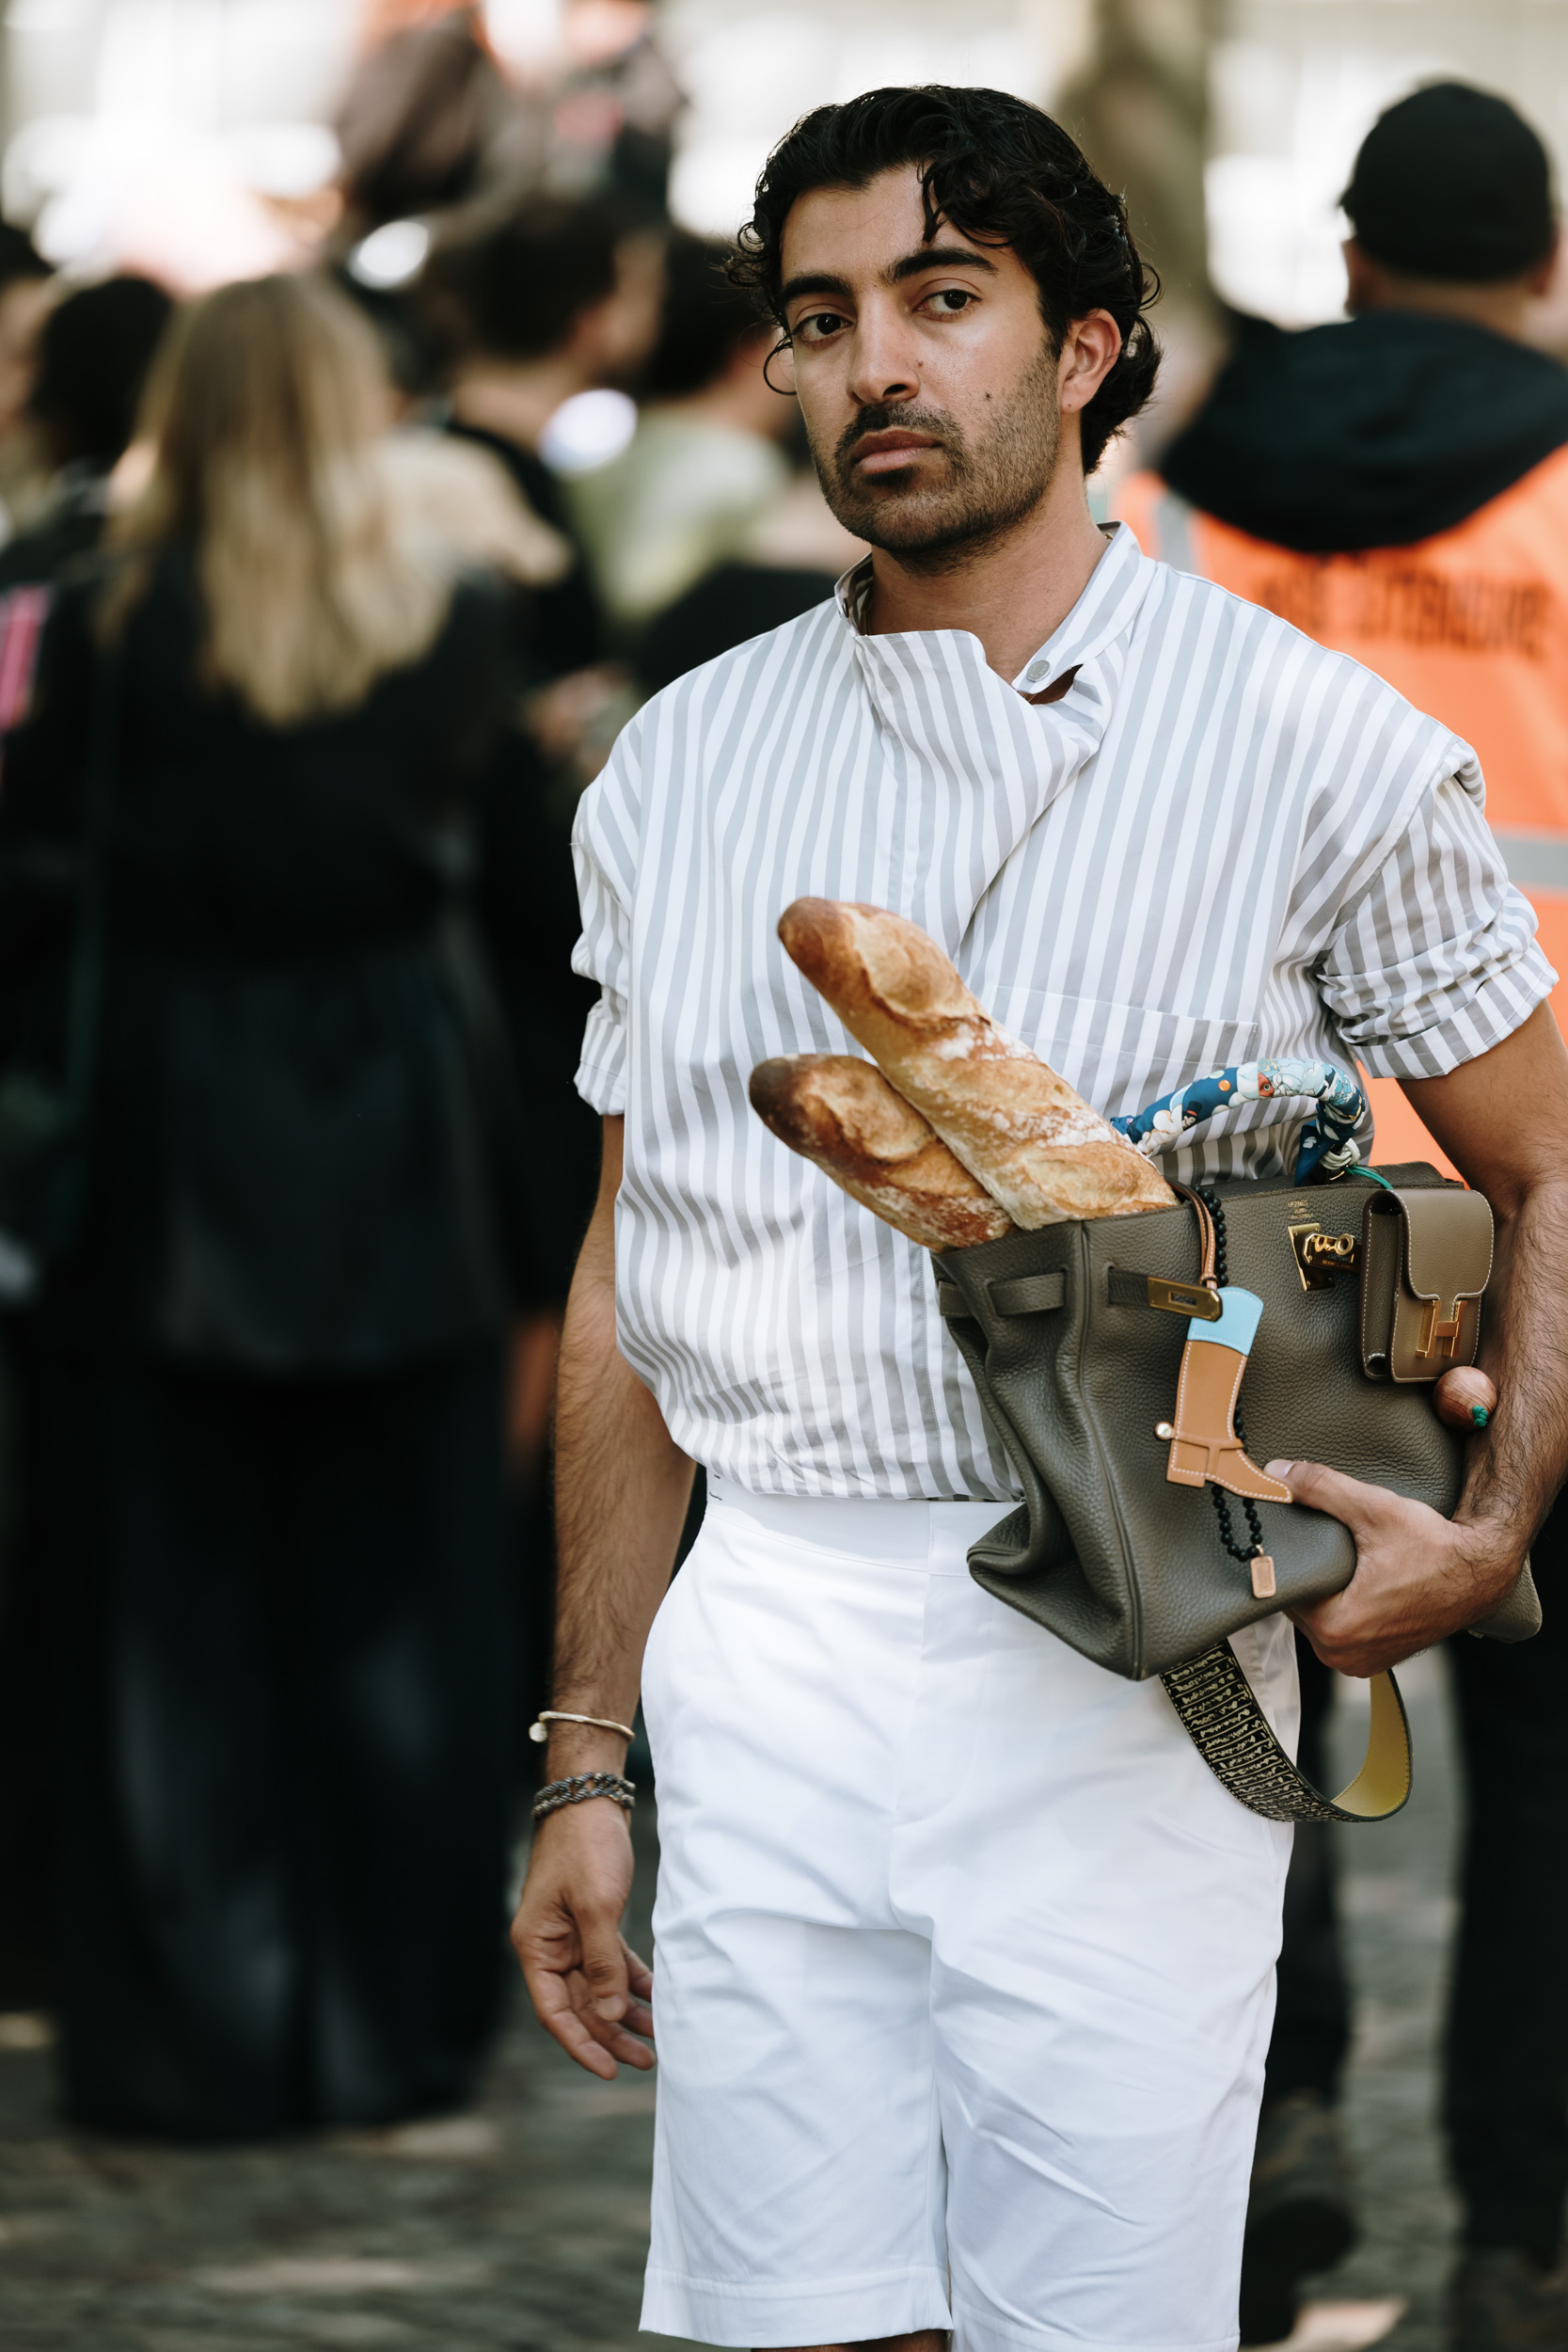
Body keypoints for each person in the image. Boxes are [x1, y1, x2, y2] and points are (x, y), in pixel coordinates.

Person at [509, 83, 1568, 2352]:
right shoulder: (676, 762)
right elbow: (629, 1270)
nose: (874, 361)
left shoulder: (1312, 742)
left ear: (1089, 346)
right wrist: (589, 1740)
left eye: (944, 297)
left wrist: (1489, 1526)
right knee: (796, 2325)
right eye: (820, 315)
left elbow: (1549, 1156)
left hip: (1129, 1644)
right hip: (762, 1623)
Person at [1116, 83, 1568, 2349]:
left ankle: (1274, 2110)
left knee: (1246, 1661)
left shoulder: (1180, 489)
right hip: (1545, 1178)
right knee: (1550, 1746)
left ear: (1358, 250)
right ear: (1548, 257)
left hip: (1263, 1199)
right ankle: (1523, 2211)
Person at [0, 272, 535, 2139]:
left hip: (166, 1143)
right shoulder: (455, 624)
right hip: (396, 1132)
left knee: (173, 1616)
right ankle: (395, 2017)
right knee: (402, 1605)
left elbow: (34, 886)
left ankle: (196, 2027)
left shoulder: (104, 626)